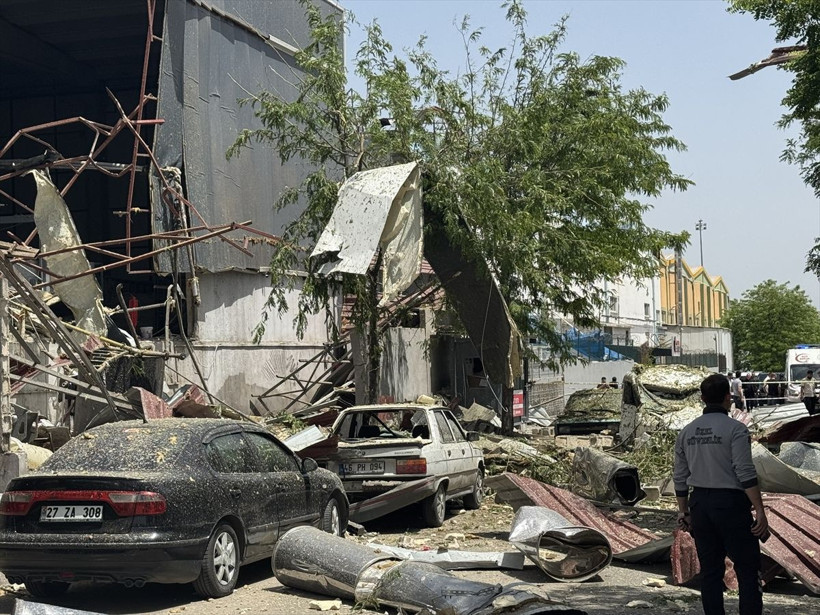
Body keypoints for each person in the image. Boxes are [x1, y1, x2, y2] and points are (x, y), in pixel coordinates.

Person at [674, 373, 768, 615]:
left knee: (711, 572)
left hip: (700, 505)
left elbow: (680, 476)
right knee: (748, 570)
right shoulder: (736, 430)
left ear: (703, 398)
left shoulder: (687, 432)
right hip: (731, 504)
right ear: (728, 397)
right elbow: (745, 471)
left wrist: (684, 511)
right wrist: (759, 509)